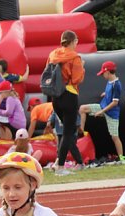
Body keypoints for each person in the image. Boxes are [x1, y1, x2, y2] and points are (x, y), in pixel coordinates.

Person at [47, 30, 86, 176]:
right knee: (68, 132)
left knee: (65, 132)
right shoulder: (75, 57)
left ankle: (59, 161)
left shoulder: (53, 54)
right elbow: (77, 79)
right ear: (73, 41)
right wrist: (82, 68)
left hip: (55, 96)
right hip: (69, 94)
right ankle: (60, 167)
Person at [78, 61, 125, 163]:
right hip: (102, 106)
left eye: (103, 73)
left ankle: (121, 157)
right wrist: (106, 93)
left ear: (108, 72)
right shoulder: (110, 82)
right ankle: (81, 131)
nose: (102, 76)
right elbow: (111, 94)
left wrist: (102, 111)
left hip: (112, 113)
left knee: (115, 137)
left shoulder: (117, 85)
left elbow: (115, 102)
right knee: (82, 108)